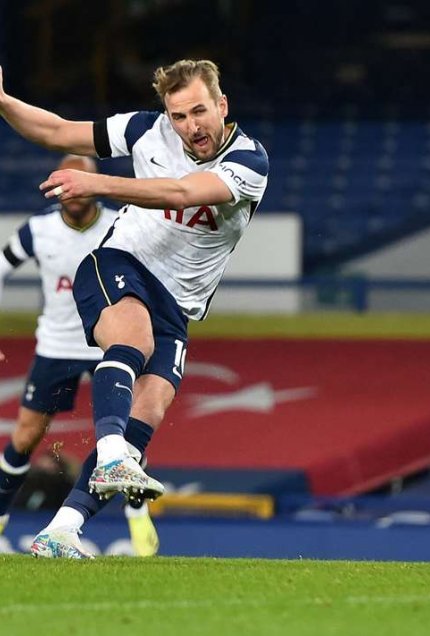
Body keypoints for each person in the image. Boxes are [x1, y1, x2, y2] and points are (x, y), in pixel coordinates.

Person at [0, 59, 269, 558]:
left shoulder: (250, 162)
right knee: (132, 344)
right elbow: (57, 130)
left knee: (146, 415)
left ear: (222, 106)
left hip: (178, 304)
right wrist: (3, 102)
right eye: (179, 116)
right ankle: (109, 455)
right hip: (119, 263)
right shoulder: (146, 131)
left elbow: (184, 192)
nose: (191, 126)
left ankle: (61, 530)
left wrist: (98, 184)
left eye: (199, 112)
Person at [0, 154, 159, 557]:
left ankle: (137, 515)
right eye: (64, 182)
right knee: (26, 436)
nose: (70, 191)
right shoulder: (38, 230)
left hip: (109, 341)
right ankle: (1, 516)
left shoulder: (119, 225)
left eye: (81, 181)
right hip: (56, 346)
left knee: (128, 426)